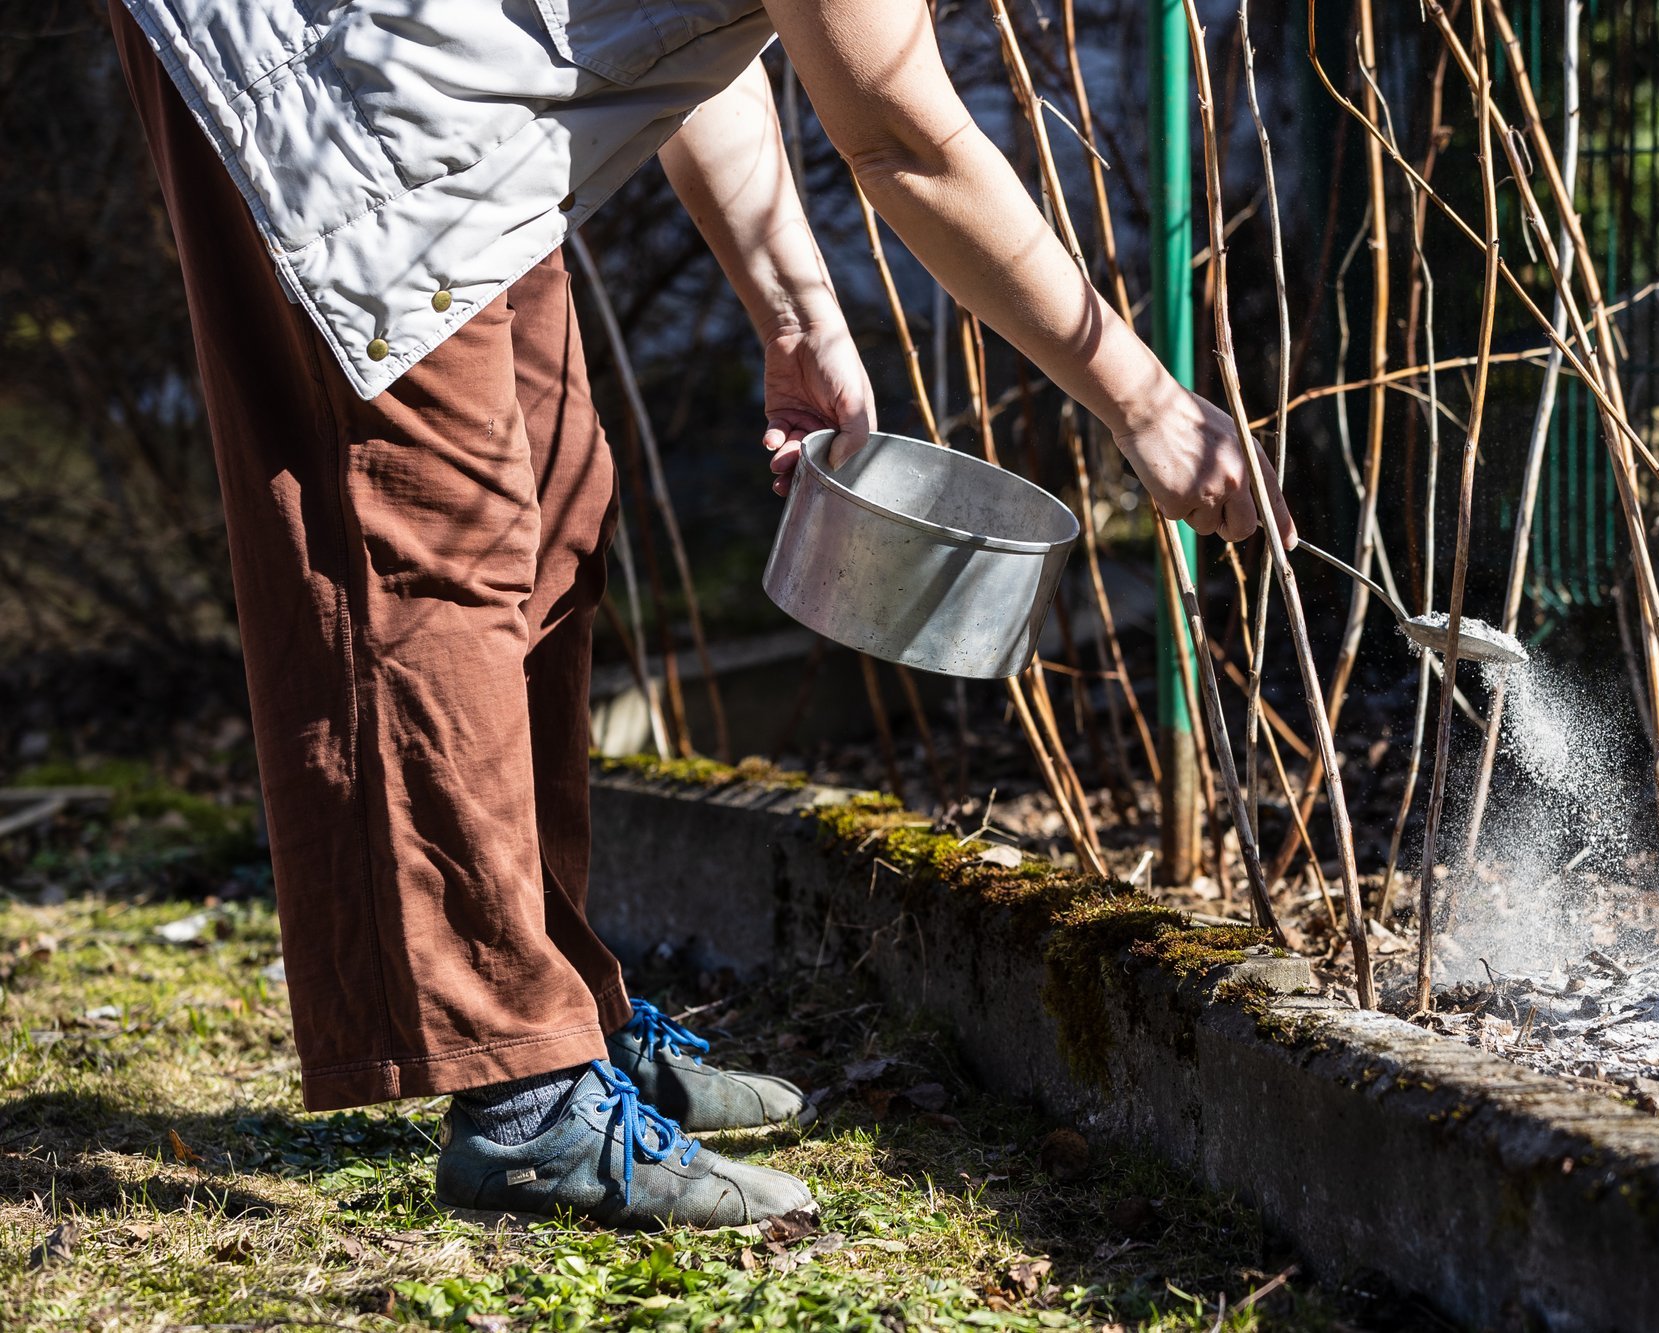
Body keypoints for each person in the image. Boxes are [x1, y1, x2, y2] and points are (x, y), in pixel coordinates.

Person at [109, 0, 1295, 1231]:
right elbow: (904, 138)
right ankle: (520, 1106)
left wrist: (792, 311)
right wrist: (1144, 406)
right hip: (334, 60)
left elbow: (699, 36)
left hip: (445, 72)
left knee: (558, 502)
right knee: (429, 542)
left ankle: (560, 1003)